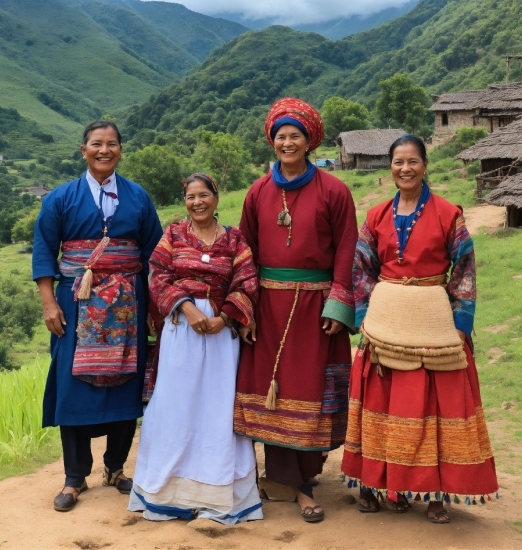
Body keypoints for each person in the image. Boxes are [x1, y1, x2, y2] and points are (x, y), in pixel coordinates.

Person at [341, 134, 498, 523]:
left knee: (432, 407)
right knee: (380, 404)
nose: (405, 169)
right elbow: (361, 269)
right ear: (390, 166)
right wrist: (365, 319)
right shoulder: (376, 216)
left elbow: (463, 269)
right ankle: (374, 484)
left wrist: (461, 325)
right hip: (386, 321)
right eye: (398, 162)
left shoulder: (448, 214)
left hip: (432, 321)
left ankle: (434, 494)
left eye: (413, 161)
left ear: (425, 165)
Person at [233, 98, 358, 523]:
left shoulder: (334, 190)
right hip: (268, 307)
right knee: (275, 393)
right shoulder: (257, 192)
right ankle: (294, 483)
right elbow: (244, 253)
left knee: (313, 391)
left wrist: (339, 304)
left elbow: (346, 248)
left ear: (309, 141)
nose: (287, 142)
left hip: (317, 307)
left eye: (295, 135)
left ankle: (306, 471)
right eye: (280, 136)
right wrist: (245, 309)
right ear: (272, 141)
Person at [33, 120, 162, 512]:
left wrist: (154, 308)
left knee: (126, 382)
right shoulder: (60, 199)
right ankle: (75, 479)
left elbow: (155, 255)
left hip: (129, 306)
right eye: (96, 144)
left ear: (121, 149)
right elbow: (43, 250)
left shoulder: (138, 197)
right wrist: (48, 303)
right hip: (75, 303)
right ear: (83, 149)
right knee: (74, 386)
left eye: (112, 144)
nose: (104, 150)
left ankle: (116, 468)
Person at [128, 173, 263, 524]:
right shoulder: (172, 235)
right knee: (175, 406)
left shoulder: (235, 240)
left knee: (217, 409)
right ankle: (167, 494)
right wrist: (186, 307)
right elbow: (156, 274)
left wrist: (227, 317)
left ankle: (218, 496)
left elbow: (247, 281)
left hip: (221, 339)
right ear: (184, 201)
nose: (198, 202)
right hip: (180, 333)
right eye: (191, 196)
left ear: (216, 197)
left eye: (204, 195)